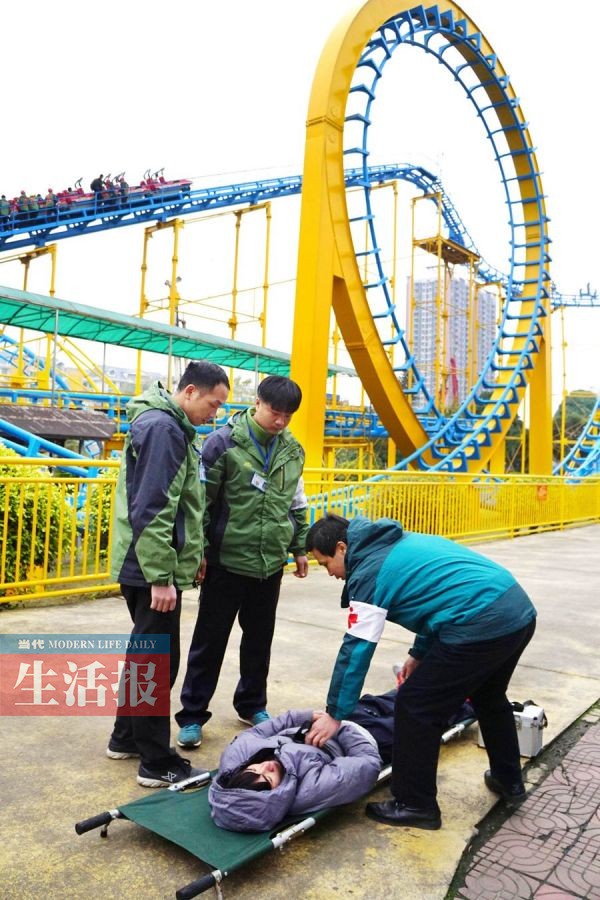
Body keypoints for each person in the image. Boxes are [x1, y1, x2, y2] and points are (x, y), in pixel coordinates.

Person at [304, 514, 537, 830]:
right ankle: (508, 781)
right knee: (489, 695)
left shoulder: (369, 573)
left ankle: (415, 804)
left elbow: (355, 649)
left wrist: (335, 713)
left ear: (342, 548)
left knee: (415, 705)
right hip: (516, 611)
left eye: (324, 563)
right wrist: (418, 653)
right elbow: (438, 601)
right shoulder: (395, 543)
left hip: (481, 622)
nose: (329, 573)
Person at [106, 361, 230, 788]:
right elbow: (153, 506)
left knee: (148, 655)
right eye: (214, 404)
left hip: (151, 561)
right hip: (148, 565)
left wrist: (189, 557)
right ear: (191, 391)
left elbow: (183, 505)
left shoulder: (173, 428)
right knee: (156, 662)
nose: (216, 414)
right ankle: (156, 761)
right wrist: (161, 575)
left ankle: (126, 737)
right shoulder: (164, 429)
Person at [175, 375, 308, 748]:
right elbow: (201, 502)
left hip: (269, 564)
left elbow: (296, 504)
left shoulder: (293, 451)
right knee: (210, 640)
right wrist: (198, 551)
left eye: (288, 416)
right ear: (257, 403)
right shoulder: (223, 444)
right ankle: (192, 714)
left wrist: (298, 548)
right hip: (226, 561)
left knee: (259, 640)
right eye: (275, 412)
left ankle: (251, 704)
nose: (280, 421)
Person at [208, 689, 476, 832]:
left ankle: (431, 684)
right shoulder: (308, 790)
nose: (266, 766)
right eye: (268, 778)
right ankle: (468, 701)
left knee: (381, 699)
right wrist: (341, 727)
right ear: (275, 795)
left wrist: (307, 717)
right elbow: (368, 765)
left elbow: (266, 728)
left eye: (255, 768)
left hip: (331, 721)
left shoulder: (236, 758)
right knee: (420, 716)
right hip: (367, 738)